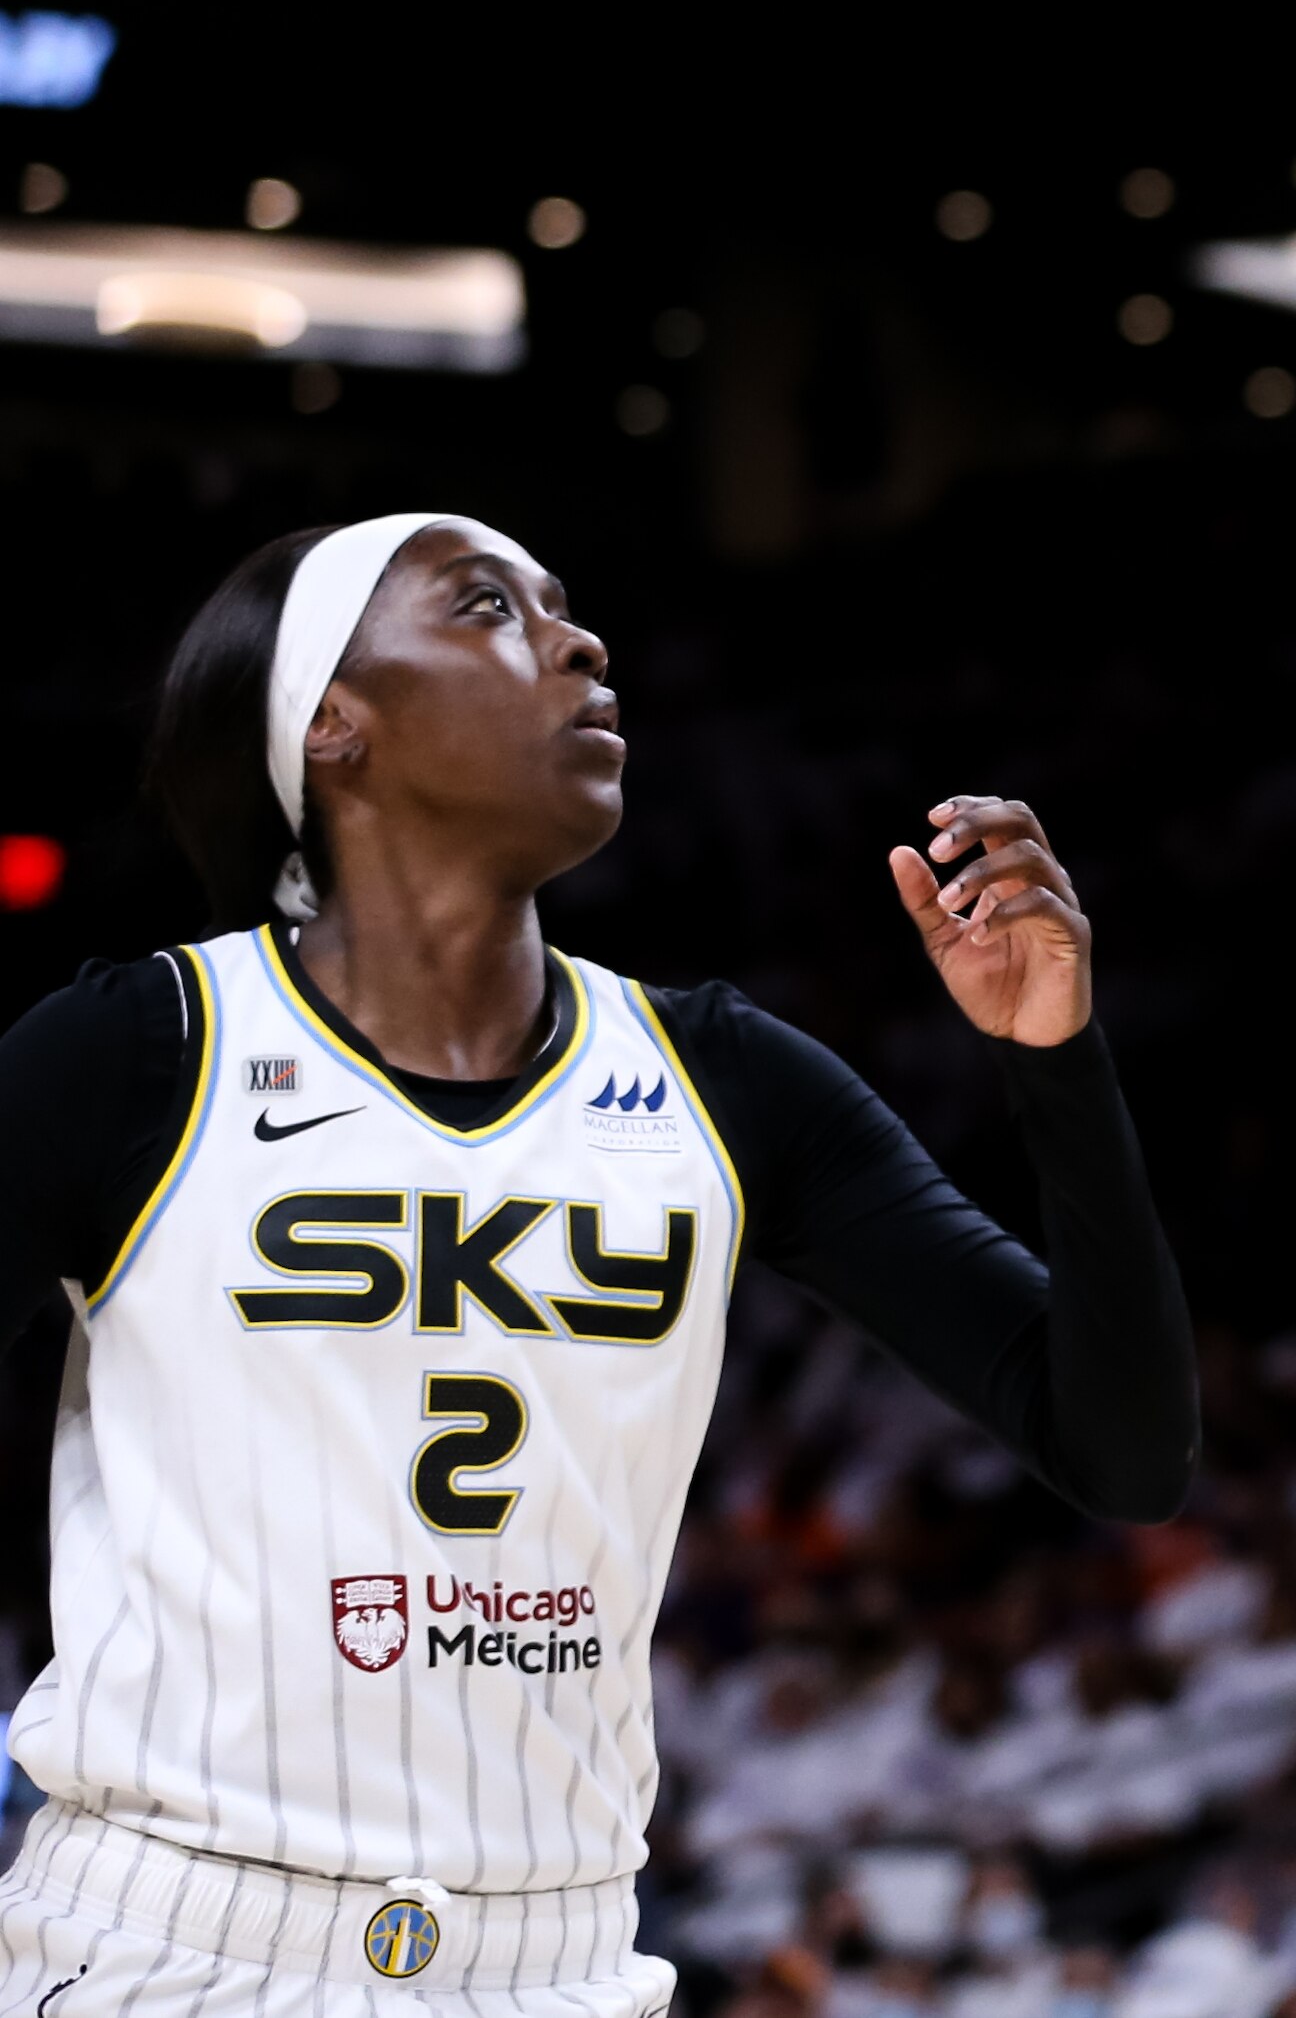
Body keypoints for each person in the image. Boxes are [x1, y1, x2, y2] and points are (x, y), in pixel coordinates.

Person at [0, 515, 1196, 2018]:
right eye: (489, 606)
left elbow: (1125, 1448)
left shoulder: (721, 1077)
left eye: (566, 607)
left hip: (561, 1956)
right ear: (334, 727)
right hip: (171, 1945)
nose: (579, 644)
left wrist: (1060, 1061)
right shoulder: (137, 1054)